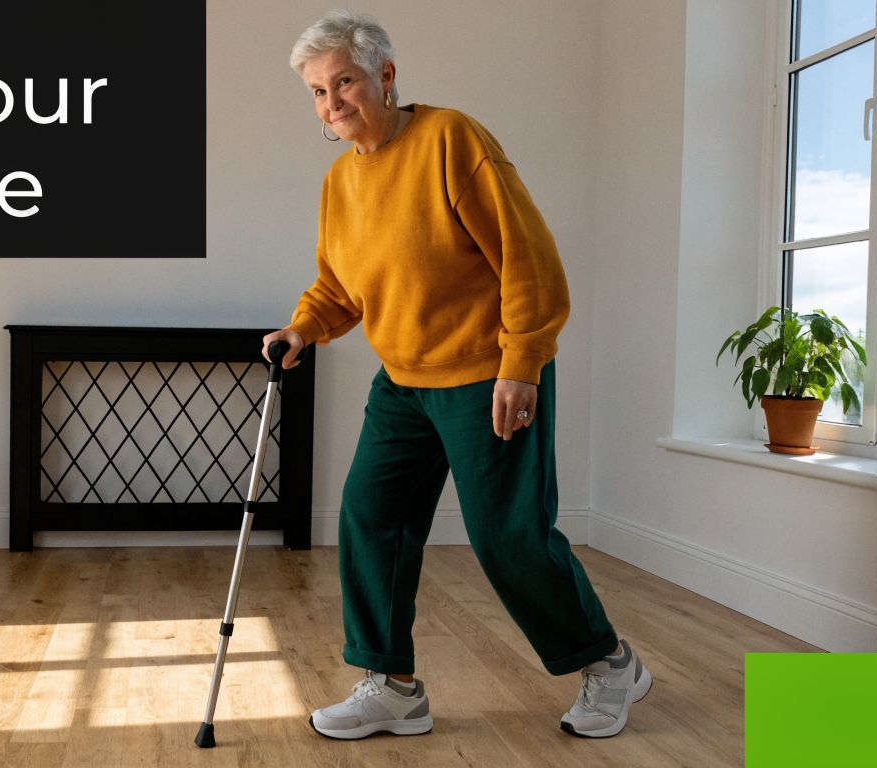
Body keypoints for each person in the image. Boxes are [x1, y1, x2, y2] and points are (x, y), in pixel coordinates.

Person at [261, 9, 654, 740]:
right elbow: (340, 287)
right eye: (316, 91)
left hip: (486, 374)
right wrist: (302, 327)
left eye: (342, 81)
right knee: (371, 516)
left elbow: (526, 258)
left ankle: (610, 662)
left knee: (509, 536)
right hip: (404, 381)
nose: (331, 102)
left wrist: (522, 364)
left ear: (384, 74)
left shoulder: (451, 139)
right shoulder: (340, 184)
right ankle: (393, 686)